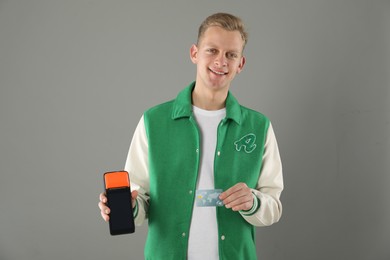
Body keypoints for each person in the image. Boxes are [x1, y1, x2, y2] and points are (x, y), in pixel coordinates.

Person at [99, 12, 283, 260]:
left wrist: (253, 202)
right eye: (212, 50)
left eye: (231, 54)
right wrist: (128, 207)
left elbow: (273, 206)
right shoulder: (153, 121)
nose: (221, 61)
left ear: (241, 64)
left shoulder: (259, 126)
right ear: (194, 53)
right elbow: (139, 200)